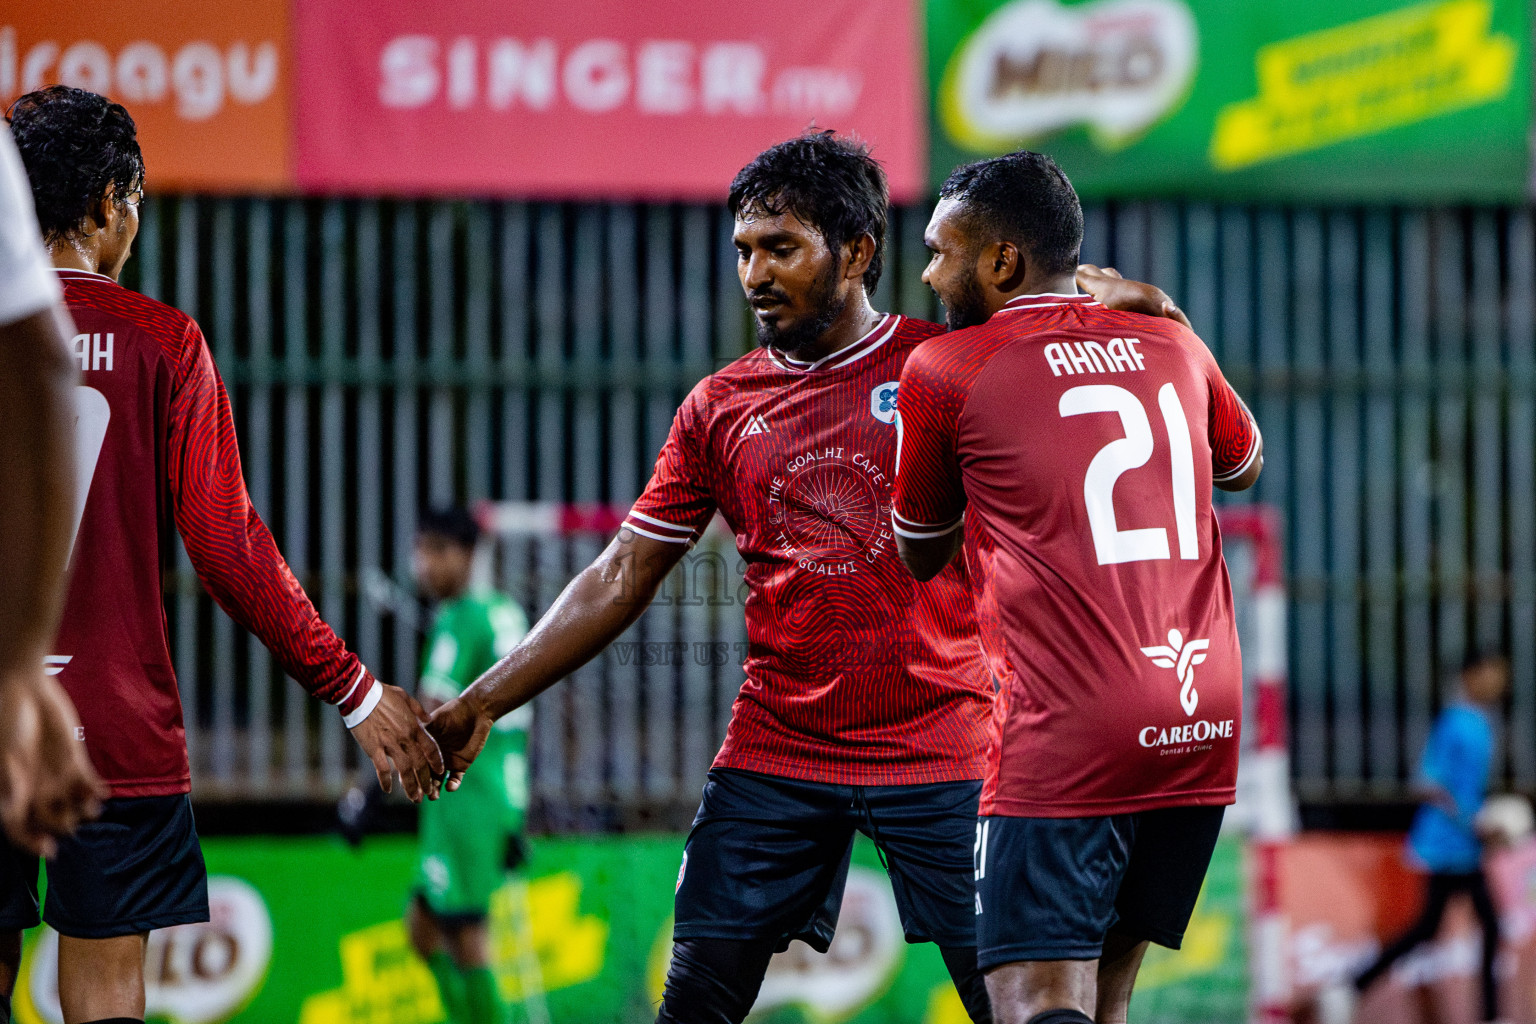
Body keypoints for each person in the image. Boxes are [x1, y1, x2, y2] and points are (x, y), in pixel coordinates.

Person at [428, 132, 1186, 1024]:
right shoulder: (717, 408)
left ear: (858, 252)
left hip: (948, 740)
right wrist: (483, 700)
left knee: (1026, 1007)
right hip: (776, 750)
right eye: (744, 249)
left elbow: (1114, 382)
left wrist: (1160, 314)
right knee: (693, 1005)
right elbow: (620, 573)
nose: (754, 272)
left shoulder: (949, 365)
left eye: (781, 247)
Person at [0, 86, 444, 1024]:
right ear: (109, 202)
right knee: (107, 997)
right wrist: (357, 692)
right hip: (113, 740)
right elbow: (229, 553)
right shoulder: (165, 343)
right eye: (140, 201)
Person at [892, 151, 1262, 1024]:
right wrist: (1168, 313)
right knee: (1104, 1002)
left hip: (1070, 727)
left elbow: (918, 551)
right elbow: (1244, 466)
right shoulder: (1172, 340)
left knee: (1032, 1004)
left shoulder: (946, 368)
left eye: (941, 251)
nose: (928, 272)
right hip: (1198, 721)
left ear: (1003, 261)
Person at [0, 121, 104, 867]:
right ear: (111, 206)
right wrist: (19, 664)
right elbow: (41, 367)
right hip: (125, 725)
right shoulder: (169, 342)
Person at [1328, 652, 1509, 1024]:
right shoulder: (1455, 722)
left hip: (1467, 848)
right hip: (1444, 846)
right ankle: (1350, 986)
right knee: (1437, 928)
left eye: (1501, 676)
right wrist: (1470, 820)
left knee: (1479, 927)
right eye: (1489, 673)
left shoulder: (1483, 724)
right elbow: (1428, 781)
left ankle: (1351, 987)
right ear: (1469, 676)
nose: (1496, 683)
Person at [406, 507, 531, 1024]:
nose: (423, 566)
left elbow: (430, 705)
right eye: (420, 551)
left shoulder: (461, 618)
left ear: (468, 554)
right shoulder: (505, 612)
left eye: (435, 551)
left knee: (465, 934)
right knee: (425, 927)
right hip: (500, 791)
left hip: (466, 793)